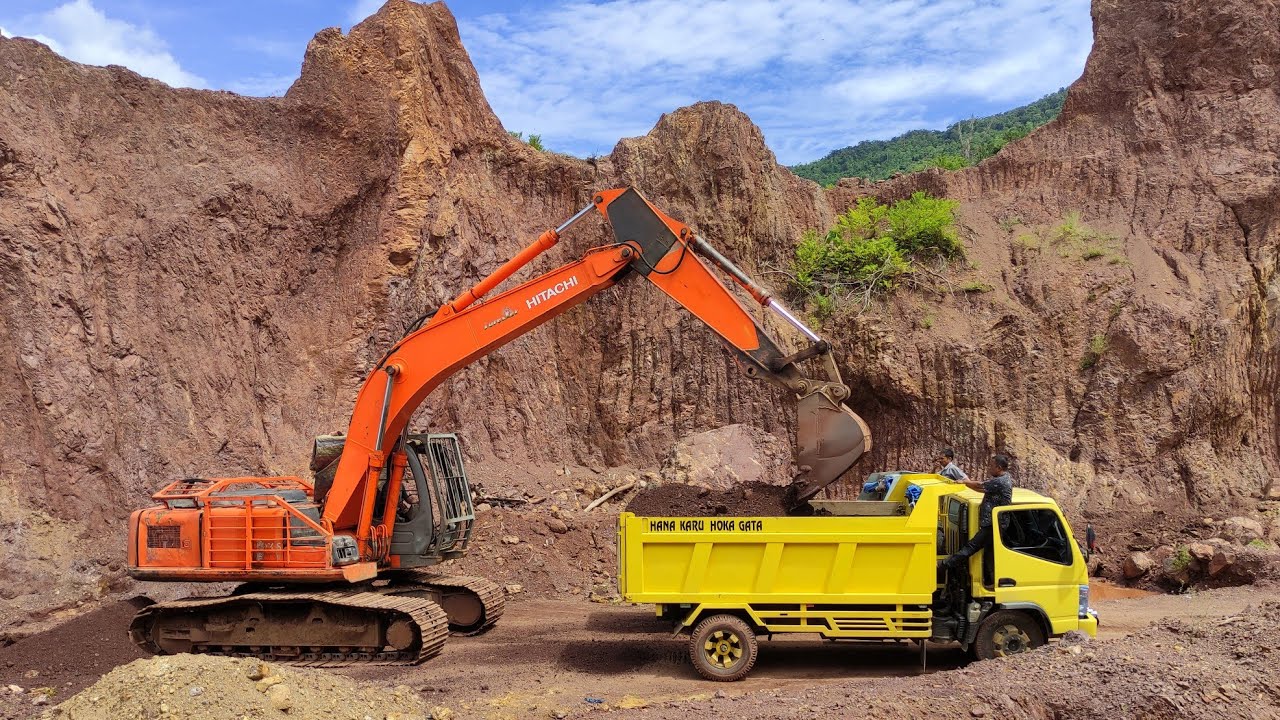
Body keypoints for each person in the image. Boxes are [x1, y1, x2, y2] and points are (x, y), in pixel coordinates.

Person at [938, 454, 1015, 571]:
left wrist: (964, 482)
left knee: (971, 547)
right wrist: (967, 484)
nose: (989, 468)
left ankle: (942, 565)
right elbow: (981, 489)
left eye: (992, 466)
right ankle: (991, 579)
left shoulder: (1001, 481)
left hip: (994, 524)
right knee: (989, 552)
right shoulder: (1002, 479)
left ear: (999, 468)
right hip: (991, 522)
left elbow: (980, 485)